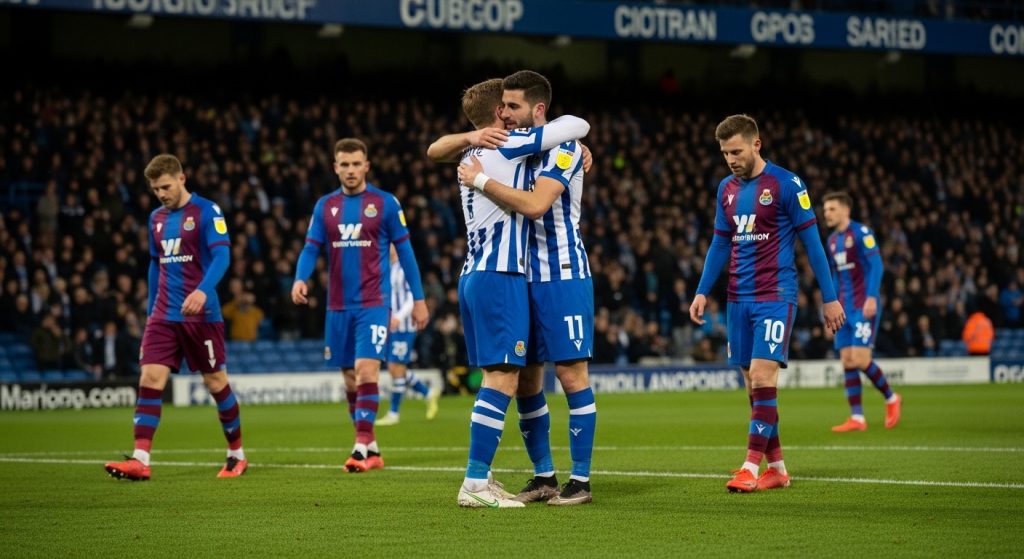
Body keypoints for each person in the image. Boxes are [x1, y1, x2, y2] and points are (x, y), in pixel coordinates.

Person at [428, 77, 590, 507]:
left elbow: (432, 150)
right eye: (506, 107)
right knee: (502, 378)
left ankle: (502, 479)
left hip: (482, 273)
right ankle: (475, 483)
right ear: (499, 115)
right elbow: (576, 124)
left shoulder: (471, 152)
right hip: (500, 275)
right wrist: (575, 141)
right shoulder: (504, 148)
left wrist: (468, 138)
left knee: (512, 378)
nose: (509, 113)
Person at [689, 115, 845, 493]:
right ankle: (777, 468)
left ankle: (749, 467)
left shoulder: (787, 185)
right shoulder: (725, 189)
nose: (730, 159)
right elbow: (720, 243)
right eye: (725, 153)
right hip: (737, 299)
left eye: (737, 151)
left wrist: (830, 298)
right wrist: (701, 290)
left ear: (757, 144)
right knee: (753, 388)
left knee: (762, 377)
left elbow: (813, 244)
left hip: (776, 296)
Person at [105, 154, 245, 481]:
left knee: (215, 383)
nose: (161, 194)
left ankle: (236, 453)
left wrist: (202, 291)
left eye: (166, 187)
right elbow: (156, 264)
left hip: (202, 316)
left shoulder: (207, 212)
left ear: (182, 178)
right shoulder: (155, 219)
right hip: (164, 315)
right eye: (155, 190)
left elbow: (223, 256)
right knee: (150, 379)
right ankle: (141, 458)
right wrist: (153, 307)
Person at [292, 138, 428, 473]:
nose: (350, 170)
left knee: (367, 370)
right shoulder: (325, 206)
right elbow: (311, 248)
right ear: (335, 167)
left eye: (356, 164)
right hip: (337, 306)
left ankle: (359, 449)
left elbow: (406, 253)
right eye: (344, 164)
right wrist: (300, 277)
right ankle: (373, 447)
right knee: (350, 378)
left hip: (374, 303)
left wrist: (419, 299)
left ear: (366, 166)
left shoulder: (385, 203)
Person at [822, 191, 901, 432]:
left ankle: (891, 398)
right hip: (843, 309)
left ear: (846, 210)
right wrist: (830, 306)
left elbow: (876, 265)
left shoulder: (861, 233)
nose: (827, 214)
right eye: (825, 210)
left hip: (862, 306)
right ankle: (857, 417)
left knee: (860, 359)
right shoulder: (832, 241)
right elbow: (835, 275)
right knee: (847, 360)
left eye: (832, 209)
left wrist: (872, 297)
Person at [376, 246, 439, 426]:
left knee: (396, 366)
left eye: (391, 244)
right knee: (395, 367)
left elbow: (413, 296)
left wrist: (399, 316)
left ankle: (394, 413)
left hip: (404, 325)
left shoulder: (404, 267)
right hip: (392, 325)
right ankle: (427, 393)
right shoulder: (388, 268)